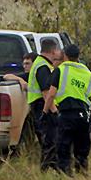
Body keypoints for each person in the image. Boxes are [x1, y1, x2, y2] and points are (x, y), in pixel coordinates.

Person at [42, 44, 91, 175]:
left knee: (63, 146)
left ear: (65, 56)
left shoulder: (61, 70)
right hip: (84, 116)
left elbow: (51, 94)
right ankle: (82, 173)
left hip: (67, 114)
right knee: (82, 148)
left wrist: (45, 112)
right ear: (78, 56)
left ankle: (65, 173)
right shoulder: (87, 72)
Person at [27, 40, 63, 171]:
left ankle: (54, 168)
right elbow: (46, 92)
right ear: (53, 51)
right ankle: (45, 170)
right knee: (50, 140)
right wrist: (54, 111)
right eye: (58, 50)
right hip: (43, 106)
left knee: (51, 140)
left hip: (40, 106)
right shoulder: (43, 67)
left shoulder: (40, 64)